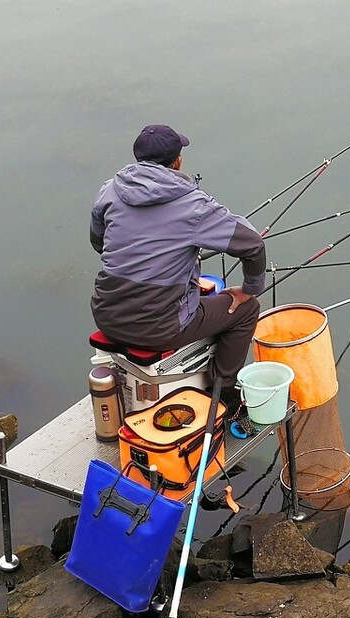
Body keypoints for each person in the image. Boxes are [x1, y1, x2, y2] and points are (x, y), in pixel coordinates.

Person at [90, 124, 265, 408]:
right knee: (245, 309)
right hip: (159, 329)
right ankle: (223, 392)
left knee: (199, 292)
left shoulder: (108, 191)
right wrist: (248, 290)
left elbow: (99, 243)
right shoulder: (193, 204)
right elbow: (253, 245)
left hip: (106, 315)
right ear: (178, 162)